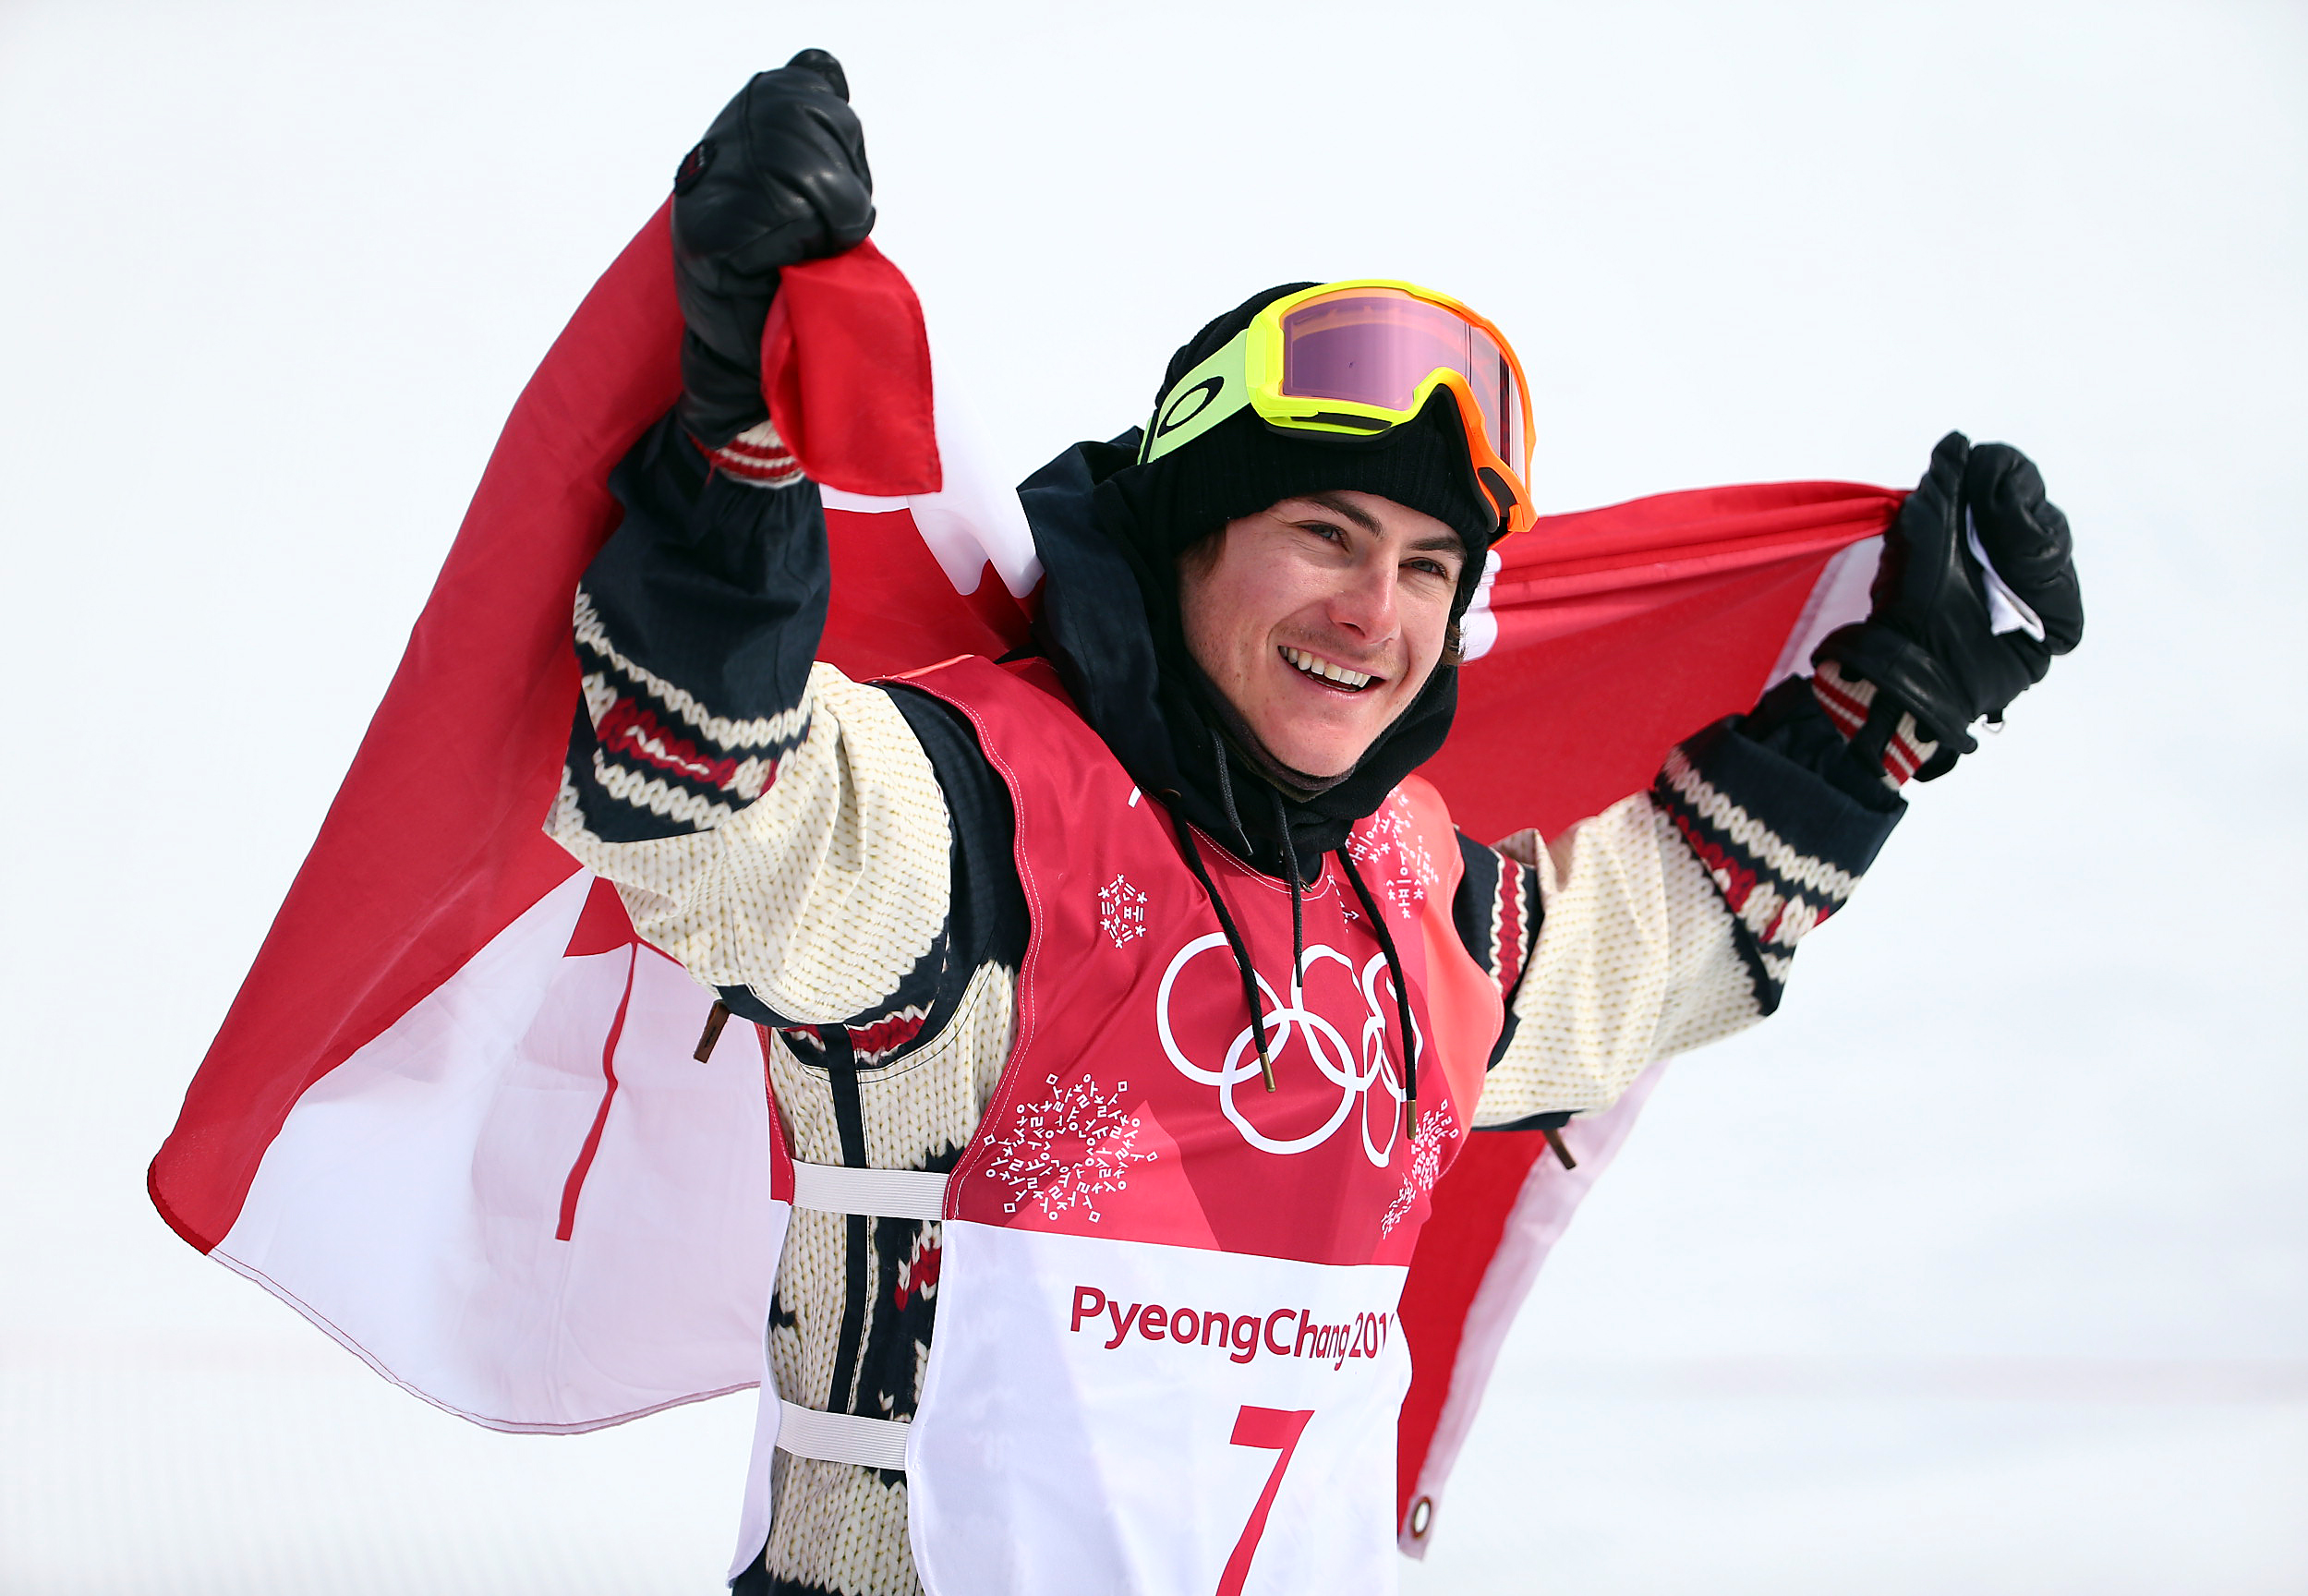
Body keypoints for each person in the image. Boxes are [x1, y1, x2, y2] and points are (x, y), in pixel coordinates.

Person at [548, 52, 2084, 1596]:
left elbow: (1645, 949)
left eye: (1430, 566)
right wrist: (740, 441)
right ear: (1186, 542)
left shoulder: (1413, 895)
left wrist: (1881, 710)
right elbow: (708, 814)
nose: (1375, 612)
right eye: (1323, 536)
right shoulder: (986, 821)